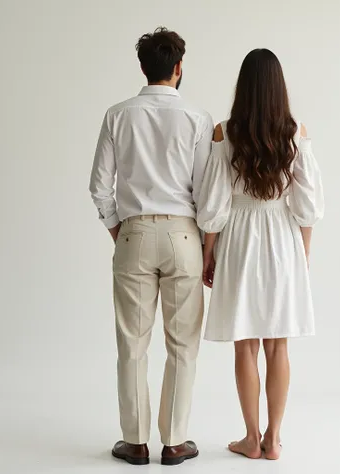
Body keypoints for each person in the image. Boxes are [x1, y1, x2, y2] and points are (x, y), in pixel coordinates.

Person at [89, 27, 213, 466]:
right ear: (178, 68)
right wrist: (206, 243)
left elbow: (100, 187)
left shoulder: (117, 115)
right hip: (185, 235)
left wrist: (119, 230)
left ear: (143, 67)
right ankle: (175, 442)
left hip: (134, 234)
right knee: (183, 345)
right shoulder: (198, 119)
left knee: (132, 343)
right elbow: (206, 192)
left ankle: (135, 441)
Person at [197, 49, 324, 461]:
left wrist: (208, 253)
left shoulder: (224, 132)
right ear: (278, 87)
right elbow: (308, 206)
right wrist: (302, 255)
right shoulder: (295, 132)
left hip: (240, 238)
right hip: (283, 238)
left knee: (245, 345)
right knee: (278, 346)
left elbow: (214, 204)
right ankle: (274, 438)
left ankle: (251, 438)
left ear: (244, 87)